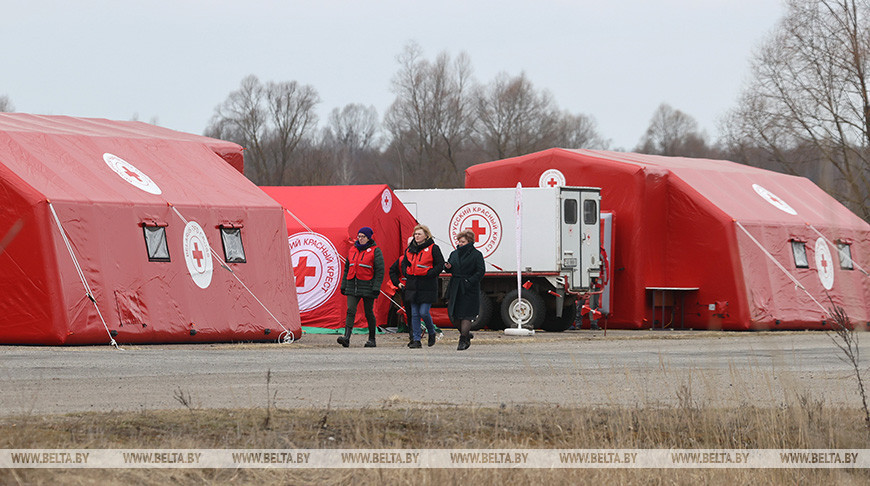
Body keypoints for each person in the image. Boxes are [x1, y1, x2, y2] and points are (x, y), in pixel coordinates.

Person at [391, 224, 444, 348]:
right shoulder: (410, 249)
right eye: (415, 234)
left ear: (426, 235)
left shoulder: (433, 248)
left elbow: (440, 264)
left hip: (427, 285)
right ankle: (416, 339)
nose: (416, 236)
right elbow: (403, 264)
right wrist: (407, 272)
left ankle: (431, 332)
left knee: (424, 312)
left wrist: (430, 273)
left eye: (419, 234)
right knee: (414, 314)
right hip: (412, 285)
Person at [338, 227, 384, 348]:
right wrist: (344, 285)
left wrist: (376, 287)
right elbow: (347, 268)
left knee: (369, 312)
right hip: (352, 285)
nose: (360, 239)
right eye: (359, 236)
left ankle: (372, 339)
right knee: (351, 310)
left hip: (368, 285)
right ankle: (346, 337)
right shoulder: (352, 250)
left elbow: (380, 271)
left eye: (363, 236)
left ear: (369, 238)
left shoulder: (375, 251)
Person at [444, 229, 485, 351]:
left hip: (469, 288)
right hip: (455, 287)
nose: (460, 243)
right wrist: (448, 267)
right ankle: (466, 333)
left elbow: (480, 271)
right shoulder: (454, 253)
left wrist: (469, 281)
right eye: (459, 241)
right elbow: (451, 268)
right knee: (454, 315)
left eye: (463, 241)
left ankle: (463, 340)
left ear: (469, 242)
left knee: (466, 315)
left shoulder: (476, 254)